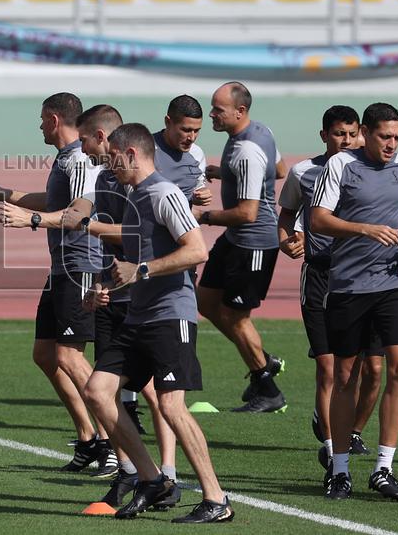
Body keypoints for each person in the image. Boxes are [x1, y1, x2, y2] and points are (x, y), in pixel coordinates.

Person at [84, 122, 233, 523]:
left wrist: (142, 271)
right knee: (98, 391)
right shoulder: (134, 196)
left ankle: (216, 500)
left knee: (171, 406)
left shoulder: (164, 193)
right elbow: (129, 264)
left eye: (113, 157)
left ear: (131, 154)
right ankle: (153, 479)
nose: (108, 164)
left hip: (171, 316)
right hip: (138, 317)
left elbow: (197, 251)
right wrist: (103, 287)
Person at [0, 93, 116, 477]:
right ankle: (87, 438)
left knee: (70, 356)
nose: (38, 126)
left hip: (81, 265)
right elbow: (52, 200)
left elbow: (77, 213)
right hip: (62, 267)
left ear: (53, 119)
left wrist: (29, 220)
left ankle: (113, 443)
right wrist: (5, 193)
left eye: (40, 119)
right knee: (45, 354)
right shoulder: (67, 158)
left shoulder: (81, 159)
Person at [311, 102, 398, 501]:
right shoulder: (342, 165)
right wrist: (363, 229)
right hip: (348, 287)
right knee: (345, 376)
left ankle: (383, 467)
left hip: (395, 284)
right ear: (365, 134)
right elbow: (319, 219)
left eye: (397, 137)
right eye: (384, 137)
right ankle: (339, 470)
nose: (392, 144)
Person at [66, 104, 179, 509]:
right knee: (108, 391)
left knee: (156, 393)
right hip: (118, 292)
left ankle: (167, 473)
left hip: (150, 300)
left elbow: (130, 234)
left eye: (85, 139)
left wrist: (63, 222)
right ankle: (134, 472)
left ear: (106, 140)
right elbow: (109, 236)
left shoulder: (147, 181)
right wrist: (101, 282)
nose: (82, 148)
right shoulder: (108, 178)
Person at [277, 106, 383, 473]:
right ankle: (329, 446)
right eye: (339, 133)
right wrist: (286, 240)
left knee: (373, 370)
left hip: (366, 279)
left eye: (352, 134)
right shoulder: (304, 172)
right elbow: (286, 214)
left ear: (362, 134)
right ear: (324, 135)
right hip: (321, 277)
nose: (347, 140)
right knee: (329, 368)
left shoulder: (373, 172)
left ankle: (350, 431)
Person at [196, 82, 287, 413]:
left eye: (218, 109)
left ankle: (267, 387)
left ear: (240, 111)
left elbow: (247, 214)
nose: (212, 115)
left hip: (253, 242)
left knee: (235, 317)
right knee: (205, 301)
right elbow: (278, 170)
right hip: (236, 240)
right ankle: (264, 361)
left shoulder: (246, 151)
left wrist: (201, 215)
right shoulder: (261, 133)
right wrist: (226, 173)